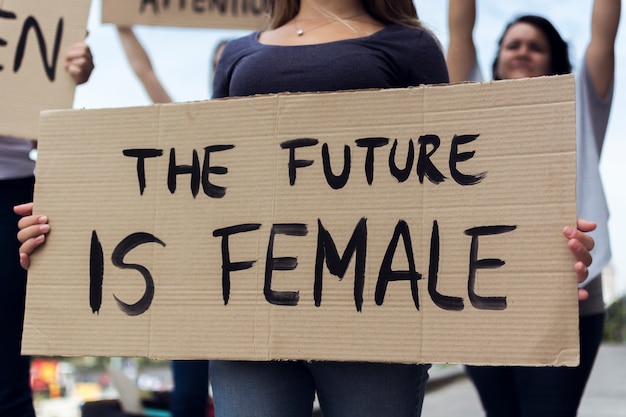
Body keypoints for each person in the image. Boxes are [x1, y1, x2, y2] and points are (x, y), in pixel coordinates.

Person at [15, 0, 597, 416]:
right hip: (246, 313)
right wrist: (64, 237)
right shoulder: (238, 55)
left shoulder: (410, 45)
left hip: (375, 316)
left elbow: (452, 178)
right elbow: (201, 192)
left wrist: (531, 261)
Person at [446, 1, 621, 416]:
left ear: (556, 59)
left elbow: (604, 30)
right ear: (497, 56)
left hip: (567, 289)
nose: (522, 51)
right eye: (513, 45)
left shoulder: (579, 99)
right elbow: (460, 30)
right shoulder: (470, 102)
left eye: (536, 46)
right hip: (481, 293)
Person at [117, 26, 215, 417]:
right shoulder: (194, 131)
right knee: (189, 397)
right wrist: (124, 25)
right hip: (197, 286)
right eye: (217, 62)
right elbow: (147, 74)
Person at [0, 42, 93, 417]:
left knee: (6, 370)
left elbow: (42, 139)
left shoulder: (30, 19)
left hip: (12, 194)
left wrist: (61, 83)